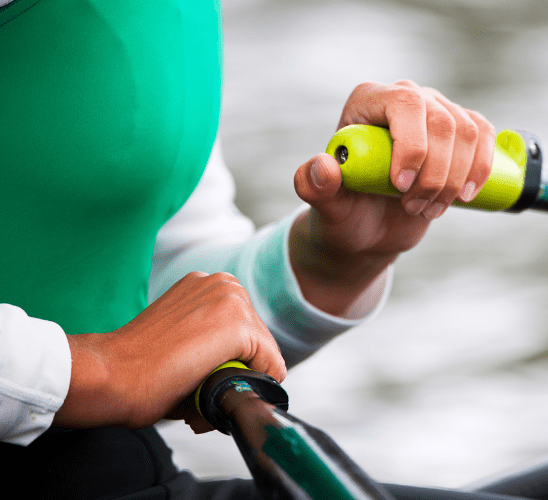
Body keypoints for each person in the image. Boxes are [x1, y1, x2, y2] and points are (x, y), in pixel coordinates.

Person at [0, 0, 497, 498]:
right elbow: (126, 354)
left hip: (108, 460)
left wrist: (330, 263)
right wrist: (97, 370)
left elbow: (155, 285)